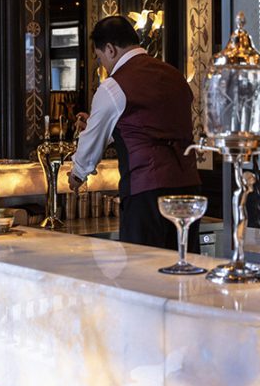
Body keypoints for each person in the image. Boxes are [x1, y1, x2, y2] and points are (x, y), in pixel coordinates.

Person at [69, 16, 202, 250]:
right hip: (189, 187)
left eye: (100, 58)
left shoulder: (113, 86)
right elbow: (155, 125)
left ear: (110, 49)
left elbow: (91, 144)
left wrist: (77, 174)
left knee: (144, 265)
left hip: (147, 192)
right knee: (184, 262)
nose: (103, 65)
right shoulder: (175, 75)